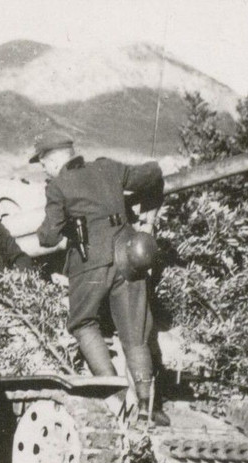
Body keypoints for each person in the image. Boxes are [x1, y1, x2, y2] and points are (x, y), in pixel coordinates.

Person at [33, 130, 170, 425]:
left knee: (82, 323)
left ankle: (114, 397)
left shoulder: (58, 186)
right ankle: (147, 407)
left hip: (89, 264)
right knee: (135, 334)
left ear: (55, 159)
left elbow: (48, 236)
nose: (43, 169)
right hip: (128, 257)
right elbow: (150, 174)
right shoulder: (107, 167)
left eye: (43, 163)